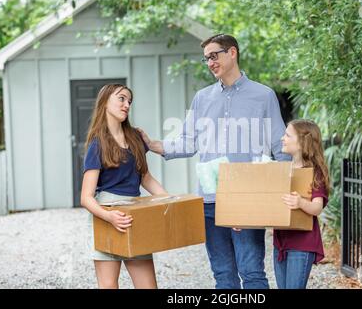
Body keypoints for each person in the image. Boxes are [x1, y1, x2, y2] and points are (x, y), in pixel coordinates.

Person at [139, 34, 290, 289]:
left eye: (214, 55)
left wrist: (286, 193)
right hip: (210, 199)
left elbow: (280, 145)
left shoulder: (263, 96)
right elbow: (187, 141)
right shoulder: (202, 98)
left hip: (247, 199)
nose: (210, 62)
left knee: (252, 273)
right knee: (222, 276)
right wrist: (153, 144)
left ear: (232, 53)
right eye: (206, 58)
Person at [81, 83, 167, 289]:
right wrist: (109, 216)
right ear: (105, 103)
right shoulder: (97, 144)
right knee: (109, 285)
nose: (127, 104)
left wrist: (168, 200)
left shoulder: (136, 138)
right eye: (121, 98)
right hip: (106, 215)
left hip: (134, 215)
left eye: (129, 101)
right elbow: (86, 197)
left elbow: (145, 177)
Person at [273, 119, 330, 289]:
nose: (282, 138)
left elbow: (317, 207)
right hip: (281, 242)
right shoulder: (283, 169)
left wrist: (300, 202)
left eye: (287, 135)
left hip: (301, 244)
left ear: (302, 142)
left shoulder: (314, 172)